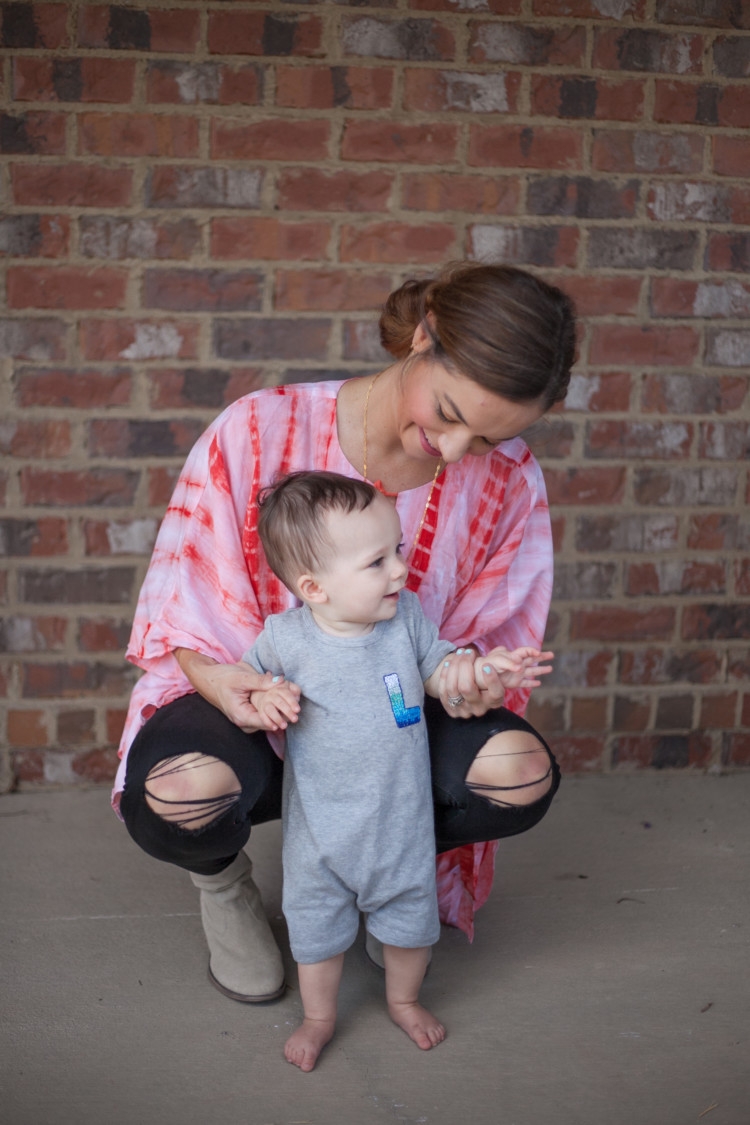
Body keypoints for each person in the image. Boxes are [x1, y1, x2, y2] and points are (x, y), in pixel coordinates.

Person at [115, 261, 576, 1014]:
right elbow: (182, 604)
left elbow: (475, 644)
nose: (455, 451)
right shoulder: (257, 428)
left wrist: (473, 676)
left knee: (519, 771)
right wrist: (228, 684)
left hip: (397, 720)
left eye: (487, 437)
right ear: (424, 335)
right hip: (255, 700)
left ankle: (389, 881)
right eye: (450, 411)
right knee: (178, 794)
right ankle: (224, 885)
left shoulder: (511, 481)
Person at [242, 470, 553, 1070]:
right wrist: (263, 701)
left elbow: (442, 673)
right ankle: (319, 1016)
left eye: (399, 551)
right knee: (317, 934)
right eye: (376, 562)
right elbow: (248, 688)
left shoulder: (405, 619)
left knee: (410, 928)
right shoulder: (285, 639)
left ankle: (405, 1001)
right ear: (314, 587)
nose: (399, 571)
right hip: (322, 837)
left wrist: (483, 673)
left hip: (400, 825)